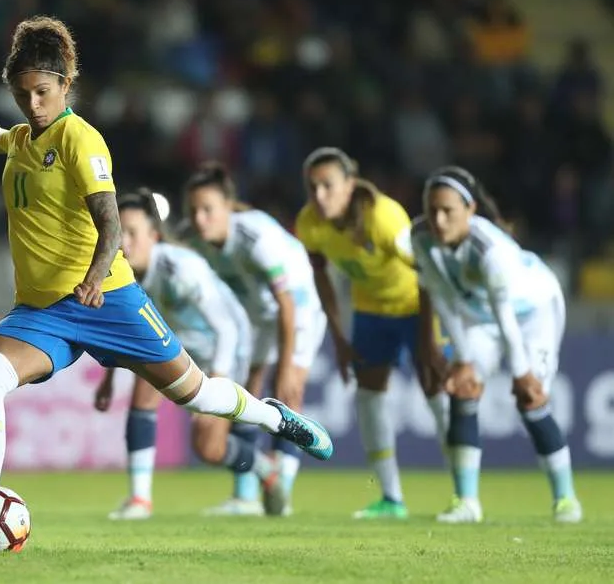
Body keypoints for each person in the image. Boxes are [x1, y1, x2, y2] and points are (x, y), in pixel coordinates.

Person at [0, 16, 333, 529]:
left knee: (195, 393)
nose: (33, 104)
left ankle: (276, 417)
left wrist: (97, 276)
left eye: (43, 92)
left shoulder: (82, 140)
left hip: (109, 297)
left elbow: (111, 223)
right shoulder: (24, 140)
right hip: (43, 310)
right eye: (23, 93)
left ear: (65, 85)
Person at [94, 189, 287, 519]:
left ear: (154, 236)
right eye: (118, 232)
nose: (123, 242)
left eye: (132, 233)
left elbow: (227, 327)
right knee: (143, 390)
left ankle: (263, 468)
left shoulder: (179, 268)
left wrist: (219, 384)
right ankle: (140, 500)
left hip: (225, 349)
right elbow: (124, 333)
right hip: (181, 350)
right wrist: (109, 380)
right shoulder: (121, 276)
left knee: (209, 449)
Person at [413, 166, 582, 524]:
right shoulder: (421, 237)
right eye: (432, 211)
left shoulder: (490, 251)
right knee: (463, 388)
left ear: (470, 210)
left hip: (533, 312)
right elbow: (442, 297)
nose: (439, 220)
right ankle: (467, 502)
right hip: (481, 314)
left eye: (448, 211)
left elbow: (507, 317)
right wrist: (462, 360)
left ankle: (566, 499)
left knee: (531, 398)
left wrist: (521, 374)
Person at [295, 147, 450, 520]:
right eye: (312, 187)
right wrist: (339, 337)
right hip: (370, 312)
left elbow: (428, 271)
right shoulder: (310, 223)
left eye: (328, 186)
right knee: (368, 397)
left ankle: (465, 495)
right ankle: (391, 499)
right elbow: (321, 276)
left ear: (349, 185)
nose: (319, 195)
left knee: (437, 392)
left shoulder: (385, 217)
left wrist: (428, 338)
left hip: (417, 306)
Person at [184, 165, 327, 517]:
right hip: (259, 319)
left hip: (299, 309)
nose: (200, 219)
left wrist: (289, 366)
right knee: (247, 399)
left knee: (287, 393)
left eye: (208, 210)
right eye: (194, 211)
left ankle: (282, 495)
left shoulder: (255, 240)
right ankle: (246, 495)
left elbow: (287, 304)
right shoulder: (200, 242)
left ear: (229, 207)